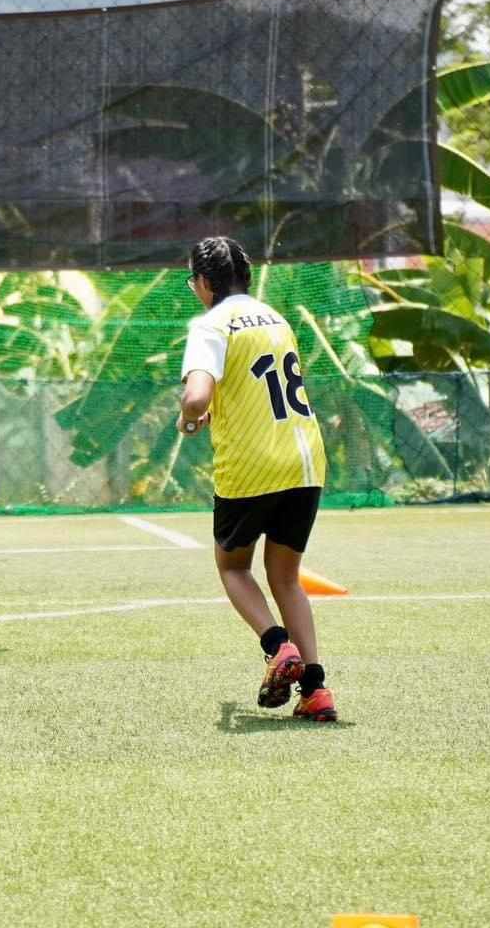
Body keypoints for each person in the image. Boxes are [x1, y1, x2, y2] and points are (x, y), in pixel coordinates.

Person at [177, 236, 336, 721]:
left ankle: (277, 647)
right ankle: (316, 691)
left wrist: (188, 417)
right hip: (305, 460)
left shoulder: (210, 324)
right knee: (287, 577)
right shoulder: (275, 318)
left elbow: (198, 396)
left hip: (252, 466)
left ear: (204, 283)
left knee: (233, 568)